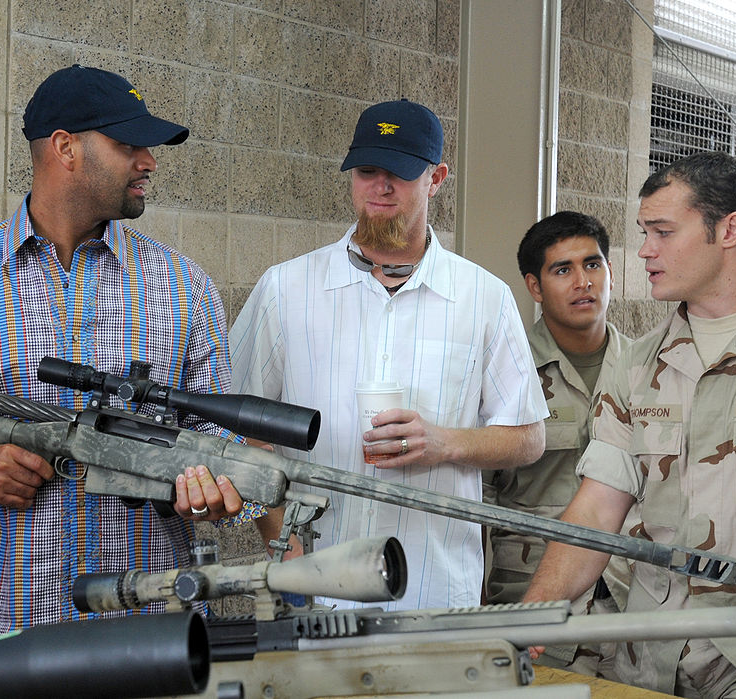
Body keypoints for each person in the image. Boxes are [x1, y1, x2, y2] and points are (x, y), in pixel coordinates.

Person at [0, 65, 254, 640]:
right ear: (65, 148)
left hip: (148, 631)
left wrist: (214, 488)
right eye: (129, 145)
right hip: (3, 622)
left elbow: (220, 436)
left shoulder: (182, 285)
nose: (149, 161)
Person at [522, 151, 736, 698]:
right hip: (647, 664)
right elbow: (595, 511)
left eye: (663, 232)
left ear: (730, 230)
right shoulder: (636, 364)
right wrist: (532, 613)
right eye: (644, 232)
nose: (645, 250)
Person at [229, 98, 547, 611]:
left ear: (436, 178)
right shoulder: (285, 289)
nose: (380, 187)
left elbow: (529, 437)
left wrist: (445, 443)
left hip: (434, 593)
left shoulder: (483, 297)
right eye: (366, 171)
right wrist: (286, 552)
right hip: (315, 590)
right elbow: (240, 431)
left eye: (398, 173)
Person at [484, 211, 632, 677]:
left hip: (634, 603)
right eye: (562, 270)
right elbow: (475, 496)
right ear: (534, 286)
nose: (583, 282)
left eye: (593, 264)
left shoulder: (649, 369)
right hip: (534, 600)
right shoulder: (507, 371)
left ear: (610, 272)